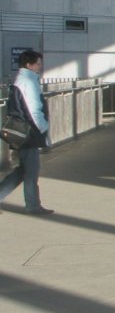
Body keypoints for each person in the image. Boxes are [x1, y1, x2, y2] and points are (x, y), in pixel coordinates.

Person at [0, 50, 54, 215]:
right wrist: (44, 129)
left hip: (23, 130)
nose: (40, 66)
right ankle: (33, 205)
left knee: (24, 170)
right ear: (29, 65)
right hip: (28, 132)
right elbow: (33, 110)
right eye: (38, 63)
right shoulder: (28, 82)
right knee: (31, 170)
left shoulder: (23, 80)